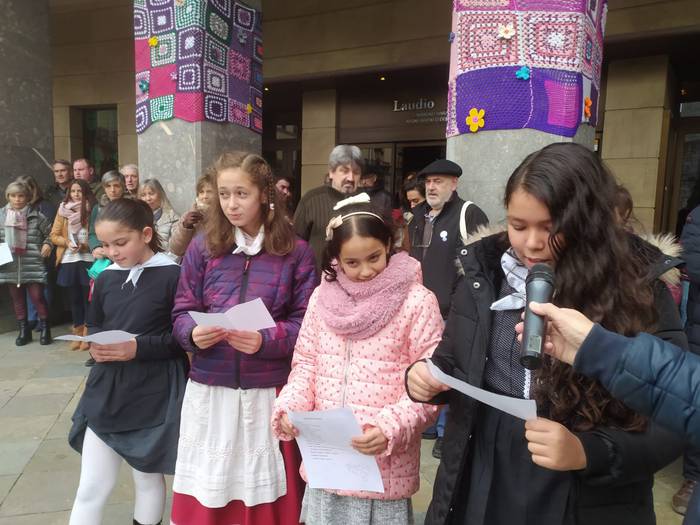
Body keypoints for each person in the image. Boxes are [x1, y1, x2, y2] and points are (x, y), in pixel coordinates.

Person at [405, 143, 686, 525]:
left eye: (550, 228)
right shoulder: (481, 273)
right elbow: (451, 361)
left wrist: (588, 451)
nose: (532, 243)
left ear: (588, 222)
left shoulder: (638, 286)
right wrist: (424, 378)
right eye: (518, 226)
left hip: (583, 485)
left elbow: (672, 417)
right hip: (486, 461)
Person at [271, 194, 444, 525]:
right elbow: (306, 364)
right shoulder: (322, 298)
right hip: (329, 463)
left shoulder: (416, 302)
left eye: (374, 257)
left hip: (382, 467)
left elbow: (430, 383)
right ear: (335, 258)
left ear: (389, 245)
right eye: (352, 263)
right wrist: (291, 407)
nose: (366, 271)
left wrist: (389, 428)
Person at [170, 151, 317, 525]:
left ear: (264, 194)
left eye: (241, 194)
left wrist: (266, 340)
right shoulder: (202, 246)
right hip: (212, 388)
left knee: (264, 495)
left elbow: (308, 324)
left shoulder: (296, 252)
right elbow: (182, 311)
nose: (231, 204)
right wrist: (193, 334)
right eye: (224, 194)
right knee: (210, 489)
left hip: (267, 391)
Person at [516, 301, 700, 525]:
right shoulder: (481, 284)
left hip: (603, 501)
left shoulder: (643, 294)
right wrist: (600, 349)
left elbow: (674, 421)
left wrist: (591, 451)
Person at [68, 198, 188, 525]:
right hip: (108, 390)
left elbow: (183, 337)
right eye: (106, 245)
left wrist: (138, 348)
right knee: (91, 487)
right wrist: (95, 344)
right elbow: (95, 322)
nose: (112, 252)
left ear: (146, 234)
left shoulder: (173, 275)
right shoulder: (107, 277)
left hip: (155, 390)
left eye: (120, 243)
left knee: (147, 477)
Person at [407, 159, 488, 458]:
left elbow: (478, 265)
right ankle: (428, 424)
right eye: (428, 182)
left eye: (438, 181)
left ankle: (444, 432)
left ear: (454, 184)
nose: (431, 187)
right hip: (418, 311)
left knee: (448, 369)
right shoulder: (417, 217)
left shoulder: (469, 214)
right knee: (423, 367)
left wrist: (458, 305)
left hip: (451, 312)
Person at [294, 145, 363, 274]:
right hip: (316, 281)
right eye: (344, 171)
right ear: (331, 172)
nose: (351, 178)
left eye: (356, 172)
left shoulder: (366, 203)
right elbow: (296, 244)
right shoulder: (311, 200)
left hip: (356, 280)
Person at [0, 181, 53, 346]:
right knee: (17, 299)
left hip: (33, 263)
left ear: (28, 197)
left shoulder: (37, 216)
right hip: (10, 264)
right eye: (13, 196)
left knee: (38, 297)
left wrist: (47, 244)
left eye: (21, 195)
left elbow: (51, 234)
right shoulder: (1, 215)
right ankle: (24, 331)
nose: (17, 199)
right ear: (8, 197)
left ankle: (45, 328)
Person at [50, 179, 96, 350]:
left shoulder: (92, 210)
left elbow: (96, 234)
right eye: (73, 191)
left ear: (86, 193)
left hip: (87, 258)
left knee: (87, 298)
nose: (76, 194)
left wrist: (85, 245)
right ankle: (78, 332)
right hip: (68, 259)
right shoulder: (63, 210)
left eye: (80, 191)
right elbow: (54, 235)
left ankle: (88, 334)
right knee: (74, 299)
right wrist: (67, 242)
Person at [17, 175, 57, 332]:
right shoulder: (16, 209)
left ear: (33, 189)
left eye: (25, 189)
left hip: (41, 253)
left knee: (43, 288)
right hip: (23, 255)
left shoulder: (44, 206)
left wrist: (46, 245)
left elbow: (51, 231)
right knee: (28, 286)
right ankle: (32, 318)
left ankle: (43, 318)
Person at [169, 171, 215, 258]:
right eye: (201, 192)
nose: (205, 196)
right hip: (192, 262)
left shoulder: (224, 216)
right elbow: (175, 249)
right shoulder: (189, 215)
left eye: (209, 192)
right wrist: (186, 227)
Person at [88, 170, 127, 260]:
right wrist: (96, 247)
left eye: (116, 186)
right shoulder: (98, 208)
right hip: (104, 256)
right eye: (108, 186)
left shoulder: (132, 207)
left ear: (123, 187)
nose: (112, 190)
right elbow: (92, 233)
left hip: (126, 254)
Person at [139, 178, 179, 257]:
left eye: (151, 194)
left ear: (160, 194)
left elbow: (176, 249)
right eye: (143, 195)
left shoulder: (173, 218)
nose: (148, 198)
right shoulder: (135, 219)